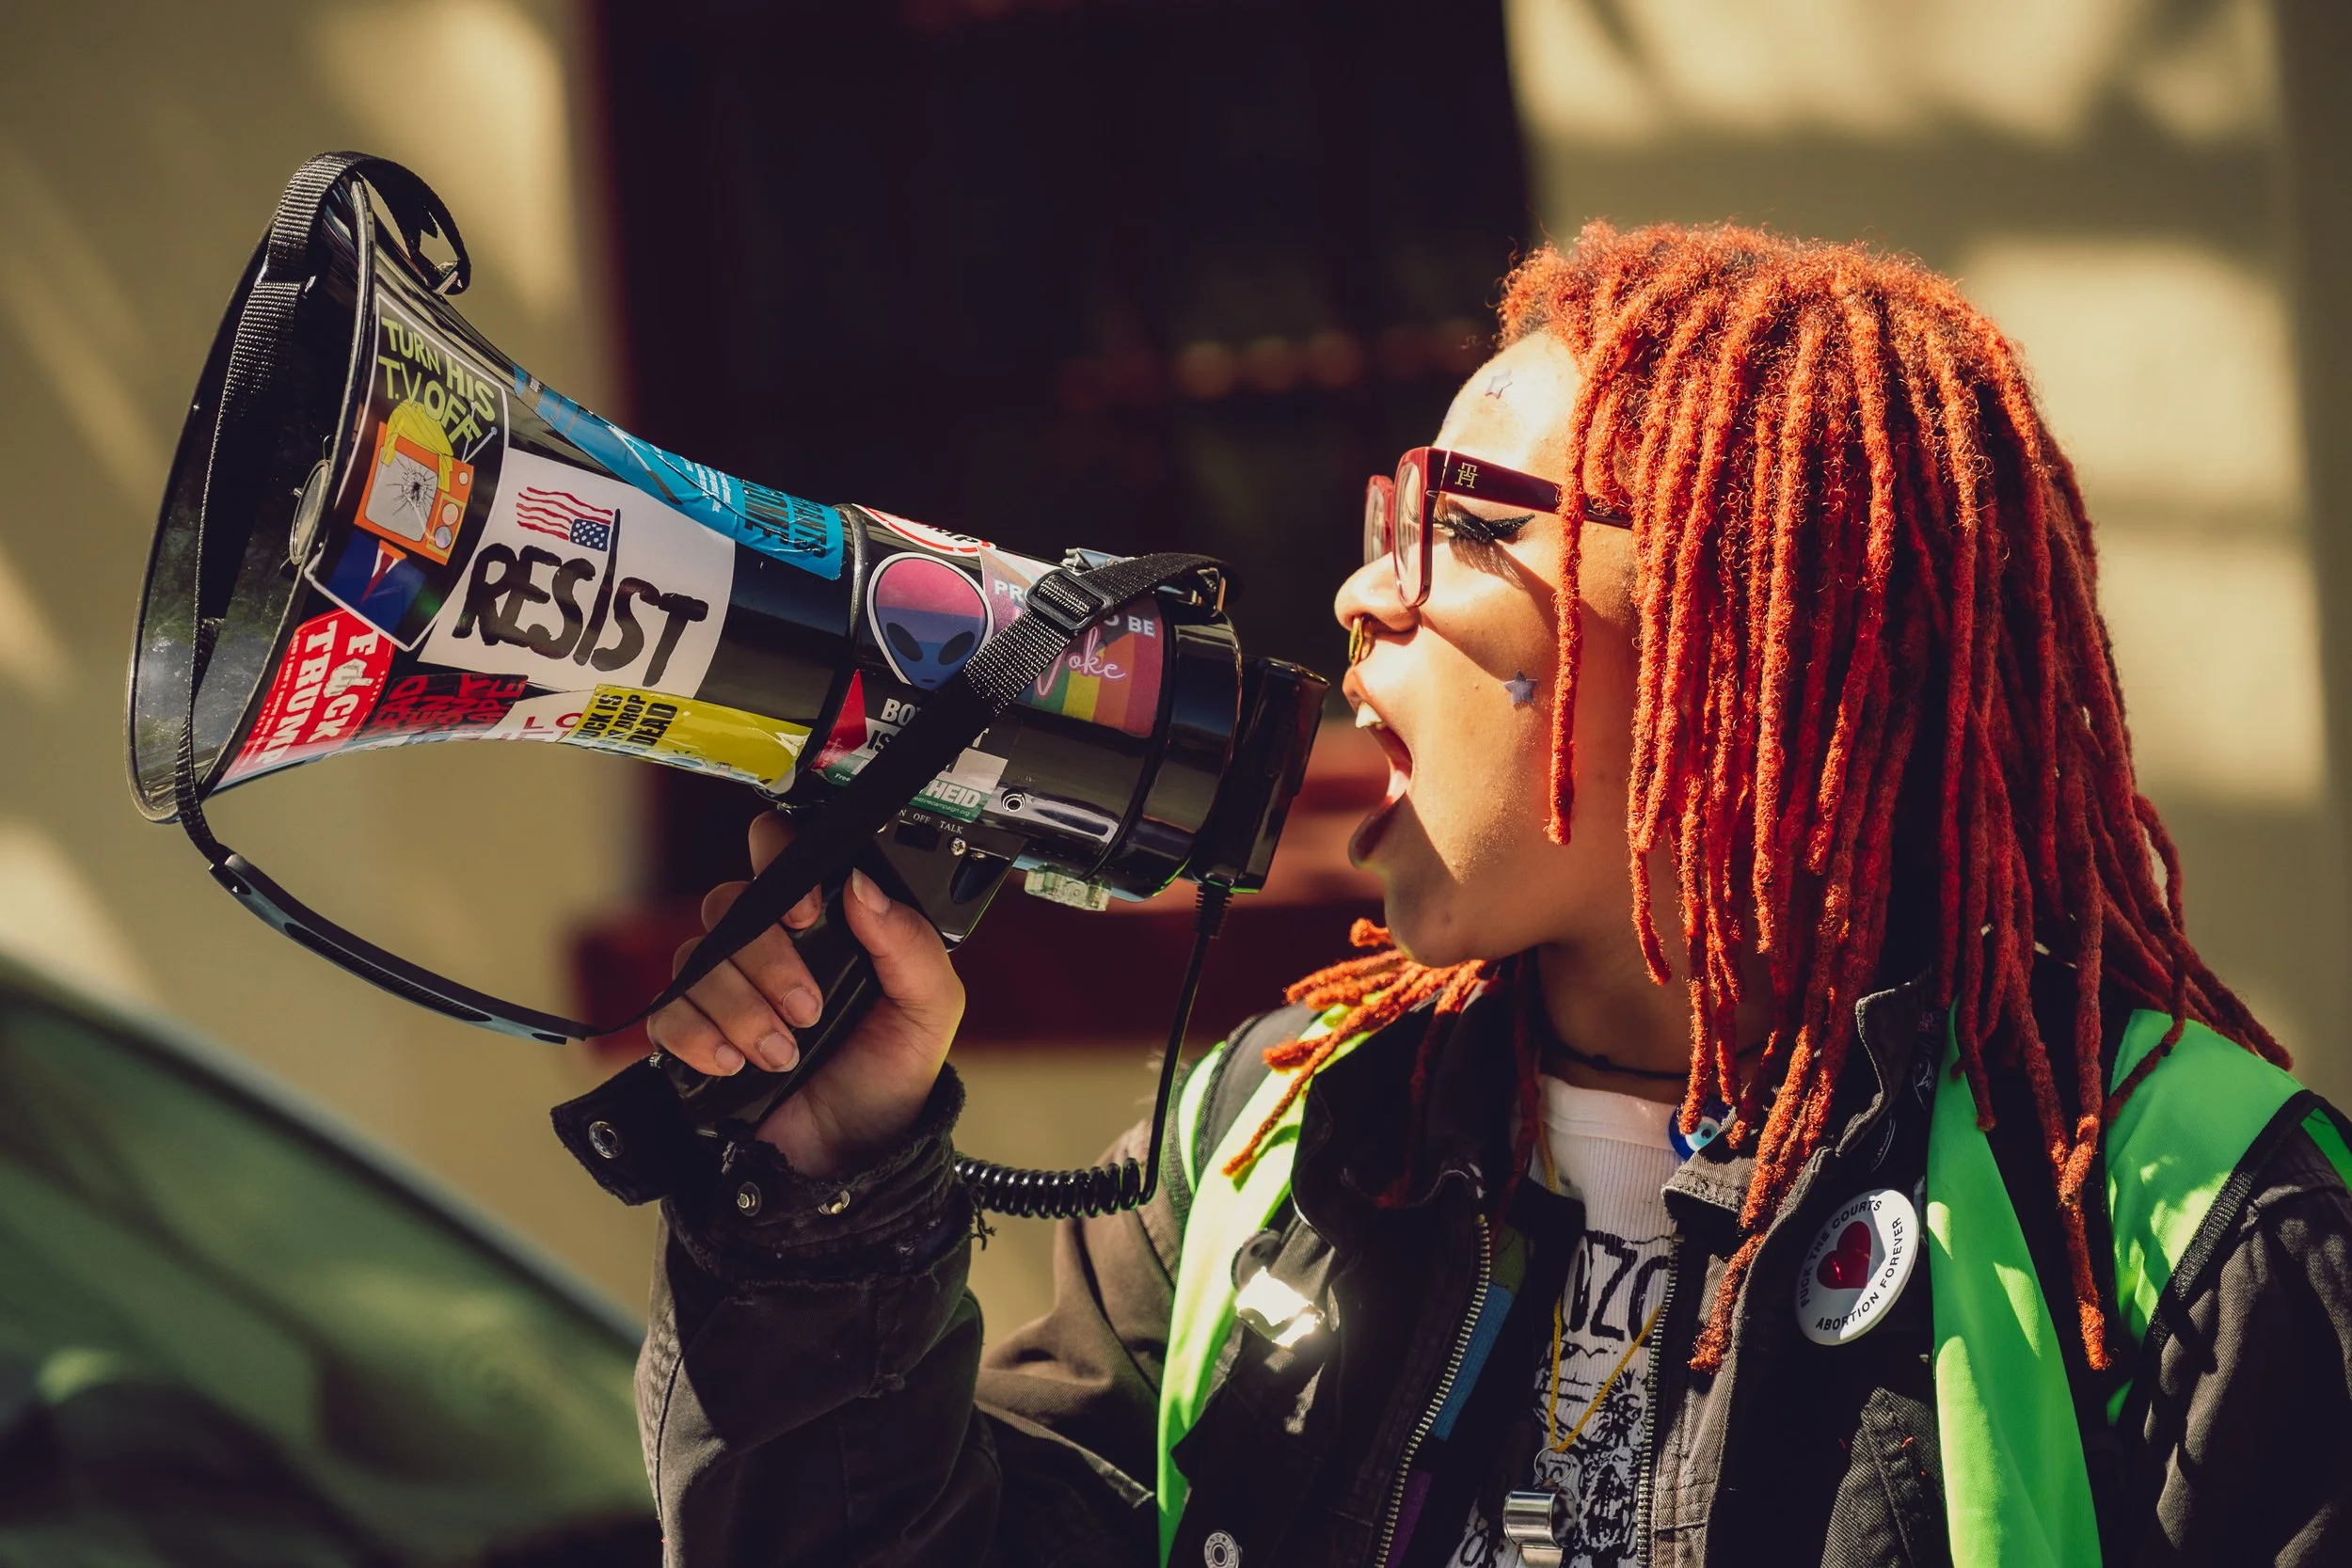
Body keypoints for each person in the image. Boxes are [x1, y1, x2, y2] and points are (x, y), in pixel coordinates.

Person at [631, 223, 2352, 1567]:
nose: (1366, 589)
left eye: (1463, 524)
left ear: (1736, 613)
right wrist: (822, 1194)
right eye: (1394, 513)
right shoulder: (1281, 1136)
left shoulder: (2184, 1220)